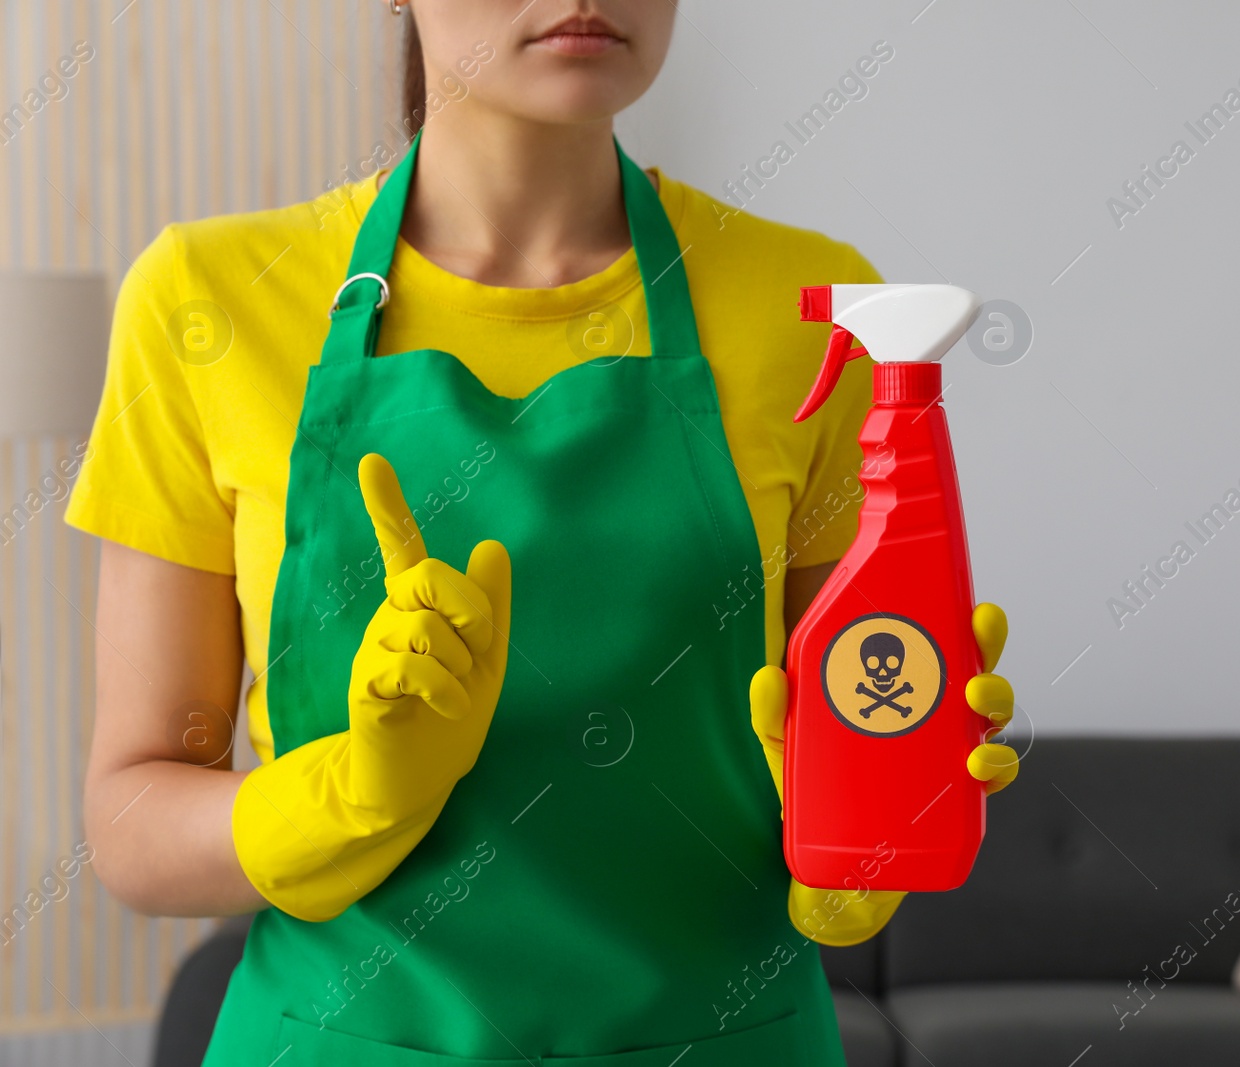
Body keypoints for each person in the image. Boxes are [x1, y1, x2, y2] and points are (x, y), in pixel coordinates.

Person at [68, 2, 1018, 1062]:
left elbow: (850, 737)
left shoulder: (809, 309)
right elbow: (132, 821)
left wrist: (867, 838)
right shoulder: (210, 300)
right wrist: (352, 798)